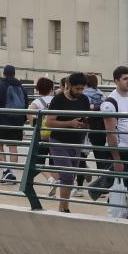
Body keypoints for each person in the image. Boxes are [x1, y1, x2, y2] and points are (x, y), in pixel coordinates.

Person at [45, 73, 93, 213]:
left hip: (77, 142)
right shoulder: (58, 99)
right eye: (77, 88)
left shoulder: (84, 99)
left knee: (70, 176)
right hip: (58, 142)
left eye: (82, 89)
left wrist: (85, 124)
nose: (79, 92)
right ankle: (63, 208)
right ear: (69, 85)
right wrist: (70, 123)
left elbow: (87, 118)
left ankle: (64, 206)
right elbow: (49, 122)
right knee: (67, 176)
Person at [100, 66, 128, 218]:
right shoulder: (109, 103)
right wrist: (117, 159)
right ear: (116, 81)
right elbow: (110, 133)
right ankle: (120, 218)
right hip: (119, 151)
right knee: (120, 189)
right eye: (125, 79)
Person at [0, 65, 30, 182]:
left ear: (4, 74)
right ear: (14, 74)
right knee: (13, 147)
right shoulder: (21, 88)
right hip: (17, 122)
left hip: (2, 122)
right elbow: (26, 105)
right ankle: (12, 173)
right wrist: (22, 120)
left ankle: (5, 170)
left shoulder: (0, 87)